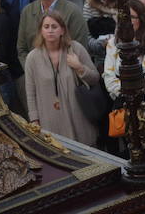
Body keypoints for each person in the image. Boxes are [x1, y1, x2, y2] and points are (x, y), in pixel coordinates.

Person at [23, 11, 99, 145]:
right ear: (41, 31)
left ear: (62, 30)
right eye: (46, 27)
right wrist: (34, 120)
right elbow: (30, 93)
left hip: (78, 117)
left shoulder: (76, 49)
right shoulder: (32, 58)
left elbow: (95, 78)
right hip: (49, 120)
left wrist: (79, 67)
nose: (50, 31)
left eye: (54, 26)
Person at [102, 0, 145, 98]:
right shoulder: (113, 43)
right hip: (119, 98)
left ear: (141, 20)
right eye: (124, 17)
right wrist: (122, 93)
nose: (128, 22)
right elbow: (108, 76)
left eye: (132, 17)